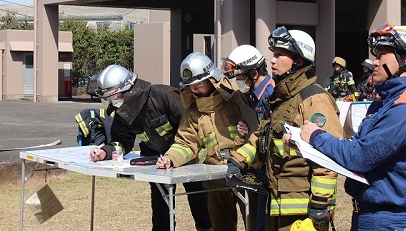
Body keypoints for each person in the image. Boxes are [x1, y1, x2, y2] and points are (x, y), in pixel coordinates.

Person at [292, 23, 406, 231]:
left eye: (382, 54)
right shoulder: (386, 102)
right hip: (368, 216)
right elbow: (357, 147)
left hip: (385, 220)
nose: (375, 62)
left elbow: (359, 157)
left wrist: (316, 136)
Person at [227, 27, 344, 231]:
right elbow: (261, 137)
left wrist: (320, 203)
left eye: (279, 55)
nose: (272, 60)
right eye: (273, 54)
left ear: (298, 61)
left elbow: (328, 157)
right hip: (277, 203)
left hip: (304, 211)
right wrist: (237, 161)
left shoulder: (315, 99)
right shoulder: (281, 101)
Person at [89, 64, 211, 231]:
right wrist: (105, 151)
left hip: (190, 159)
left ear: (127, 89)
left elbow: (194, 126)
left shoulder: (163, 96)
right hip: (158, 164)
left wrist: (188, 155)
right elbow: (121, 142)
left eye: (113, 96)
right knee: (161, 210)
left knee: (201, 204)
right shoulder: (123, 112)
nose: (112, 101)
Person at [157, 52, 252, 231]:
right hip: (215, 176)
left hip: (245, 172)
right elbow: (186, 141)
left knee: (254, 223)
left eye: (199, 83)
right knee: (220, 225)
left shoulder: (236, 97)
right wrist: (170, 158)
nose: (194, 89)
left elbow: (256, 130)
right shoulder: (194, 111)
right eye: (191, 85)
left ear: (212, 78)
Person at [220, 44, 274, 231]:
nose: (238, 82)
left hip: (269, 171)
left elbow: (271, 134)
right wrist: (246, 129)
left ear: (255, 73)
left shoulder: (270, 95)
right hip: (258, 167)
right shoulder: (254, 95)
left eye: (241, 77)